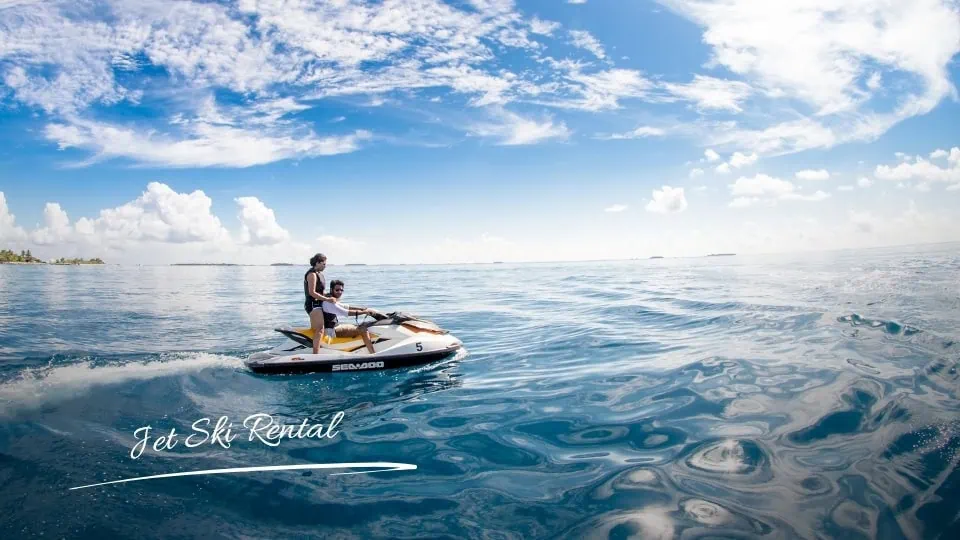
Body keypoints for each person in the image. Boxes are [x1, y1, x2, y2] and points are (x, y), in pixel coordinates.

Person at [322, 280, 379, 354]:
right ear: (331, 289)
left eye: (341, 290)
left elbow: (345, 306)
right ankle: (373, 354)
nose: (339, 292)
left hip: (334, 327)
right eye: (337, 290)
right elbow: (345, 312)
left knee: (358, 325)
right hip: (331, 331)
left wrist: (362, 308)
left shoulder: (330, 299)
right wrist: (364, 312)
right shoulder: (329, 302)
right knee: (363, 329)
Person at [304, 253, 338, 354]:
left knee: (321, 328)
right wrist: (327, 299)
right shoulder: (312, 274)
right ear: (317, 263)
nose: (325, 266)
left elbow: (321, 292)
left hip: (319, 304)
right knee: (320, 329)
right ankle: (315, 355)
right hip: (313, 305)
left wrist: (330, 297)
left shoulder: (320, 274)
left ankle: (319, 347)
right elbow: (312, 292)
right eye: (324, 264)